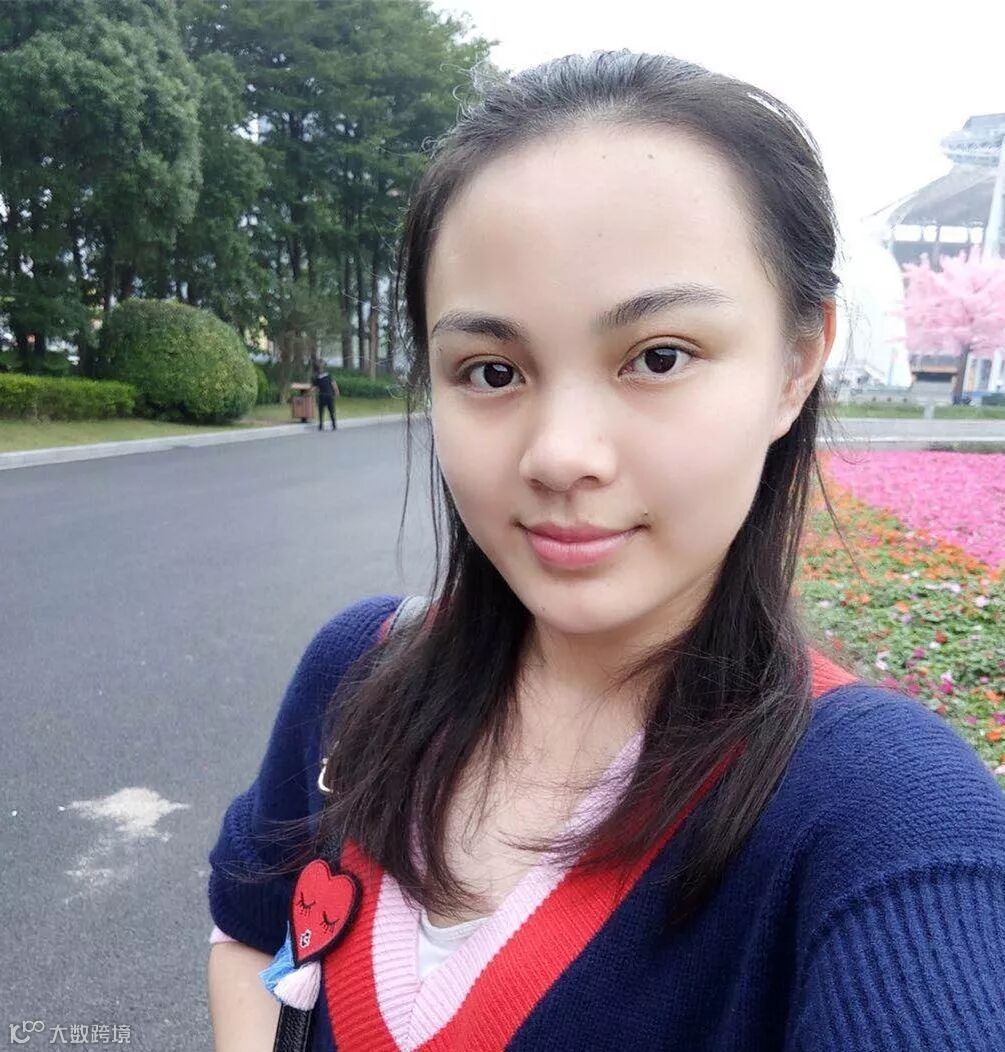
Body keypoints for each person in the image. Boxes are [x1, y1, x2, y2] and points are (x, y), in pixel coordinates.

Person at [207, 52, 1005, 1051]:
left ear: (796, 362)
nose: (559, 455)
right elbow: (249, 932)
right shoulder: (355, 674)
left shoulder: (884, 815)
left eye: (658, 357)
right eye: (490, 370)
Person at [311, 357, 339, 431]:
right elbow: (333, 383)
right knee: (331, 411)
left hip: (322, 395)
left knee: (321, 411)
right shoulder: (328, 375)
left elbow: (314, 388)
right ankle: (334, 425)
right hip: (329, 395)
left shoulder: (316, 377)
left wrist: (310, 392)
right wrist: (336, 391)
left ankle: (321, 425)